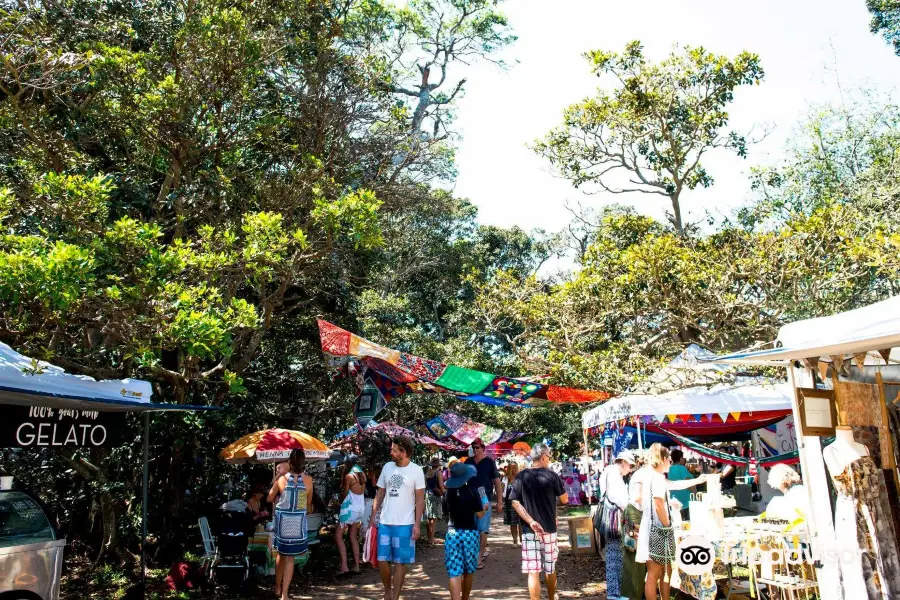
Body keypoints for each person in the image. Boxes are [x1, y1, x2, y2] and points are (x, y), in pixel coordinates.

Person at [509, 443, 568, 600]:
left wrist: (530, 521)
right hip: (549, 528)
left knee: (533, 571)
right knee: (550, 568)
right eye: (549, 456)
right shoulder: (552, 475)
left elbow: (515, 502)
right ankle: (551, 597)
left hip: (529, 530)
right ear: (543, 456)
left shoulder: (521, 476)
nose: (549, 460)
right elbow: (565, 499)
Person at [370, 435, 426, 600]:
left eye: (394, 450)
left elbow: (420, 499)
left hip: (405, 524)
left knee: (400, 562)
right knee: (381, 559)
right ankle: (387, 590)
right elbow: (380, 492)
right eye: (392, 449)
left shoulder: (416, 470)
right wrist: (374, 515)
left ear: (405, 452)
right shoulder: (387, 467)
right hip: (385, 522)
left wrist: (417, 524)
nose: (391, 452)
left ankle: (395, 596)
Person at [267, 448, 313, 600]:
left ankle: (277, 587)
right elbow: (308, 504)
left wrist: (277, 478)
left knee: (281, 553)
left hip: (283, 521)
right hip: (297, 523)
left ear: (289, 462)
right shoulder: (308, 480)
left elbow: (269, 498)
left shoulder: (281, 479)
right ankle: (284, 594)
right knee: (290, 558)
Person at [443, 461, 488, 600]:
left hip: (452, 533)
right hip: (470, 533)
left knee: (454, 572)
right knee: (469, 571)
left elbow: (446, 513)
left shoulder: (448, 493)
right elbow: (480, 515)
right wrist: (485, 507)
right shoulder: (472, 491)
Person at [641, 444, 677, 600]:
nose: (671, 461)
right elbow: (658, 504)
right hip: (658, 529)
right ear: (662, 459)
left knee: (664, 572)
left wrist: (698, 479)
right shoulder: (656, 478)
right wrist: (668, 524)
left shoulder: (652, 476)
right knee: (654, 573)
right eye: (669, 458)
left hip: (653, 528)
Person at [599, 450, 635, 600]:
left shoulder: (608, 471)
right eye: (631, 465)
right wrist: (629, 511)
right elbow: (618, 498)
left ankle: (615, 591)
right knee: (617, 554)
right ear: (624, 462)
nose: (630, 469)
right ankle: (616, 593)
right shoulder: (614, 473)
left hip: (609, 519)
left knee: (613, 554)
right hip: (615, 519)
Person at [470, 438, 502, 569]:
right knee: (472, 529)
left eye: (478, 447)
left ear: (483, 448)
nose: (475, 450)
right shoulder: (468, 461)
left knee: (483, 529)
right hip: (470, 498)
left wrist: (500, 501)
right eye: (474, 447)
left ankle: (479, 557)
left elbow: (497, 481)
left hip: (484, 499)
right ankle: (474, 554)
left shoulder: (489, 462)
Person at [335, 454, 366, 575]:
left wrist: (339, 501)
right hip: (360, 510)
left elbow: (344, 493)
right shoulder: (362, 474)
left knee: (338, 536)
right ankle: (356, 566)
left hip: (349, 511)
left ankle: (344, 566)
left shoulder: (349, 476)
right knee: (353, 537)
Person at [666, 449, 693, 520]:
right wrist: (695, 494)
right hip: (685, 501)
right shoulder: (682, 468)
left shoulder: (669, 468)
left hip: (674, 501)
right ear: (681, 458)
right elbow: (689, 483)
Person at [425, 455, 446, 543]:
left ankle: (429, 538)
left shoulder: (428, 472)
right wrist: (445, 491)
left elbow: (426, 485)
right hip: (435, 496)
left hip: (427, 495)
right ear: (438, 465)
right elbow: (441, 486)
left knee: (429, 518)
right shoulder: (438, 473)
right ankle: (432, 539)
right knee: (434, 519)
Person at [502, 462, 522, 545]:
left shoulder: (520, 477)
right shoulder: (506, 478)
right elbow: (501, 488)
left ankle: (522, 540)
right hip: (509, 503)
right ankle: (515, 541)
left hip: (520, 502)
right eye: (512, 468)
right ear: (509, 469)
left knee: (521, 522)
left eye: (515, 467)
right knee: (513, 523)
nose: (514, 469)